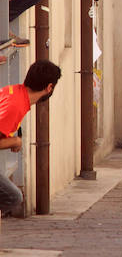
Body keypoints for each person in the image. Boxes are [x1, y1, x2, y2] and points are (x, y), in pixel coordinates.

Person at [0, 60, 61, 217]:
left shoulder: (13, 92)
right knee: (13, 196)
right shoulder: (16, 106)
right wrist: (15, 141)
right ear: (49, 88)